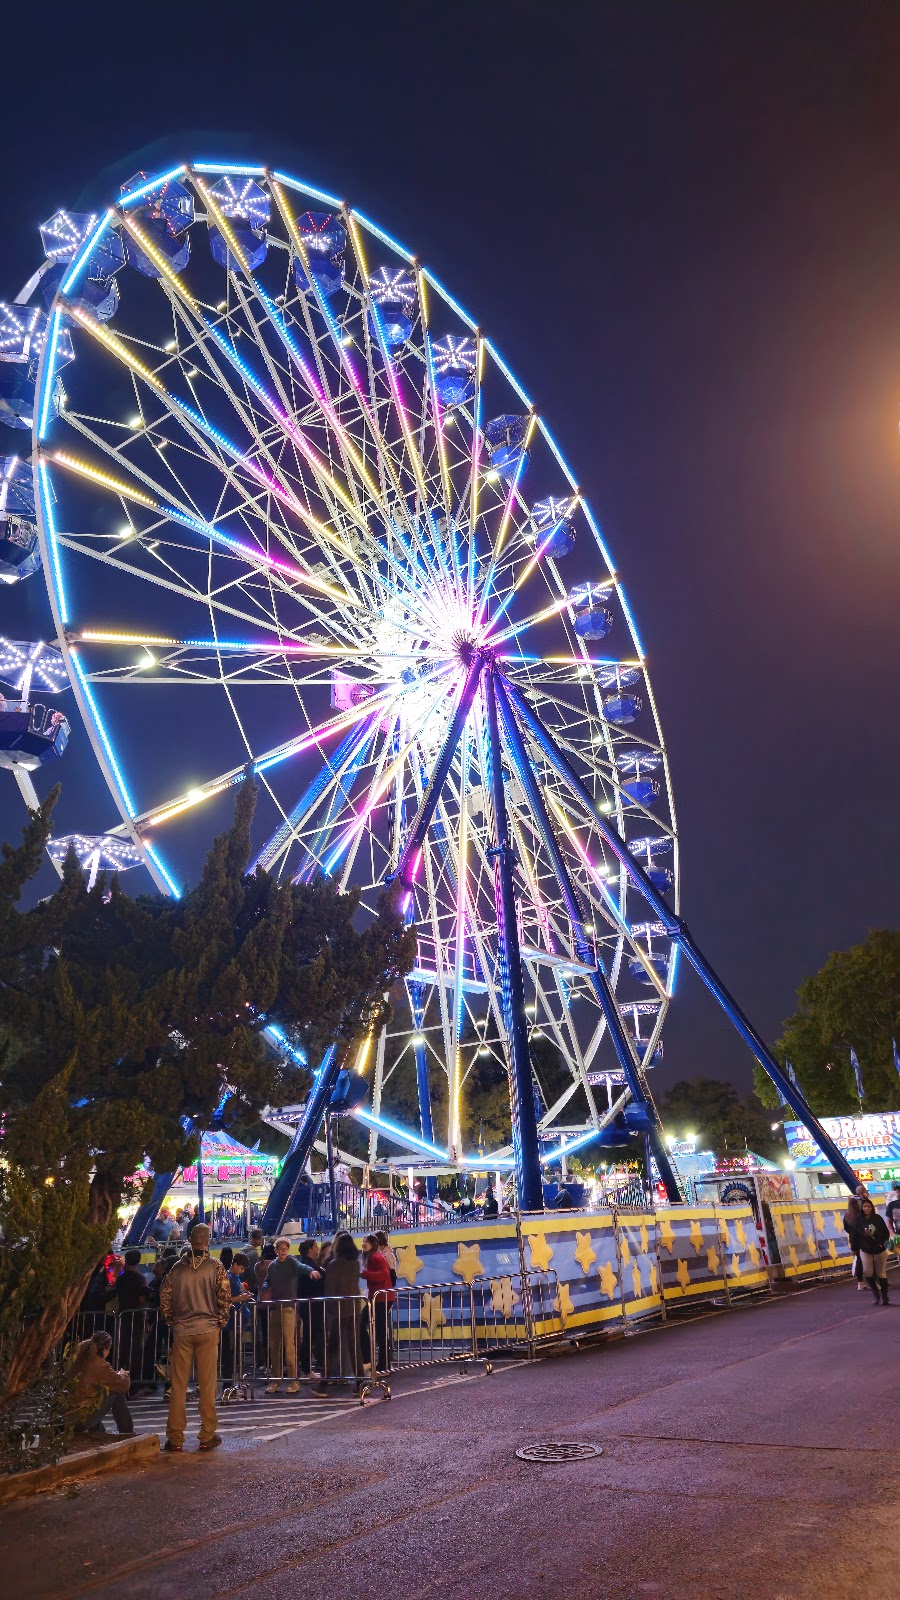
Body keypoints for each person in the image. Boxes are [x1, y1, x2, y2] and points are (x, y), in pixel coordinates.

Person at [159, 1222, 231, 1452]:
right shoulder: (216, 1266)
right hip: (208, 1329)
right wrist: (221, 1321)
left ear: (190, 1240)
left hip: (182, 1331)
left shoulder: (176, 1270)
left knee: (179, 1385)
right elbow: (224, 1297)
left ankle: (175, 1437)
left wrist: (172, 1320)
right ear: (207, 1241)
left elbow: (165, 1299)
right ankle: (207, 1434)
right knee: (207, 1384)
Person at [68, 1330, 134, 1438]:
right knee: (117, 1393)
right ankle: (127, 1434)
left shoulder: (78, 1357)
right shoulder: (99, 1364)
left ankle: (99, 1433)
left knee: (93, 1394)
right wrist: (123, 1374)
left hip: (64, 1417)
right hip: (79, 1420)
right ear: (105, 1349)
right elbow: (124, 1385)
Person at [321, 1232, 362, 1387]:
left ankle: (323, 1385)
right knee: (354, 1347)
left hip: (338, 1309)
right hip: (354, 1307)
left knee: (332, 1348)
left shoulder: (333, 1265)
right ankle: (361, 1382)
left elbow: (330, 1289)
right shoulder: (355, 1264)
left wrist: (329, 1309)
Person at [263, 1237, 301, 1393]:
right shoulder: (272, 1266)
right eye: (280, 1249)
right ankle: (276, 1380)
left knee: (288, 1346)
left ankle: (294, 1381)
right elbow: (267, 1280)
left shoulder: (292, 1263)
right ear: (276, 1250)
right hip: (276, 1308)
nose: (283, 1251)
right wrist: (265, 1286)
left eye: (285, 1248)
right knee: (275, 1346)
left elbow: (302, 1267)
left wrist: (311, 1271)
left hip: (287, 1308)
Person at [360, 1234, 395, 1373]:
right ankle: (382, 1362)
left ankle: (376, 1361)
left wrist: (364, 1274)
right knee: (379, 1330)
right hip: (380, 1297)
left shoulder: (375, 1257)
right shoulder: (375, 1256)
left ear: (373, 1244)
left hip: (380, 1298)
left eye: (366, 1242)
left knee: (364, 1325)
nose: (363, 1244)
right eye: (363, 1241)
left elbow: (382, 1275)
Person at [850, 1199, 891, 1306]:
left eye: (868, 1207)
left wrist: (882, 1243)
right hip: (865, 1249)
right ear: (862, 1208)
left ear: (872, 1207)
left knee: (881, 1272)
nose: (866, 1208)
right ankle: (875, 1294)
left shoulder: (877, 1218)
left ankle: (885, 1296)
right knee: (868, 1272)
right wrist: (854, 1249)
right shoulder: (858, 1219)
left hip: (879, 1249)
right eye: (864, 1207)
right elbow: (854, 1235)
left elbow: (886, 1233)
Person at [295, 1239, 325, 1376]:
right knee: (310, 1337)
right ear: (309, 1249)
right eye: (315, 1247)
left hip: (308, 1305)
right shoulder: (308, 1266)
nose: (317, 1249)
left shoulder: (304, 1263)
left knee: (310, 1336)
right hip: (312, 1306)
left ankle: (308, 1367)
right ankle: (308, 1368)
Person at [843, 1196, 865, 1291]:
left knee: (859, 1260)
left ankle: (860, 1283)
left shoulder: (847, 1216)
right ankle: (875, 1281)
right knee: (869, 1260)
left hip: (853, 1240)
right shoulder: (860, 1214)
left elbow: (846, 1228)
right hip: (863, 1239)